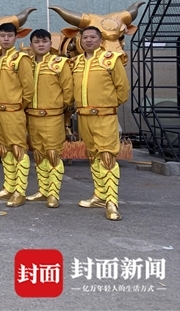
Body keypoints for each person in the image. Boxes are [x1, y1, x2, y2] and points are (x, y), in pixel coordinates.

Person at [71, 26, 129, 221]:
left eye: (92, 37)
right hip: (84, 116)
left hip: (105, 116)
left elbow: (122, 89)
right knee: (93, 155)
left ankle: (112, 201)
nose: (88, 40)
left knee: (107, 156)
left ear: (100, 40)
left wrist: (108, 105)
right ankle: (99, 195)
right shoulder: (76, 62)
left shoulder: (111, 59)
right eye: (85, 37)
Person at [25, 29, 74, 208]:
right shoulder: (26, 64)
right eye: (37, 42)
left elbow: (68, 89)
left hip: (52, 116)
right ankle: (42, 190)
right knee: (38, 154)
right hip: (32, 116)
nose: (40, 44)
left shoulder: (59, 63)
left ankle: (53, 193)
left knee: (53, 154)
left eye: (44, 41)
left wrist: (61, 107)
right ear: (31, 45)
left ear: (50, 44)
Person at [0, 22, 34, 208]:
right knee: (4, 150)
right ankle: (9, 186)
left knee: (18, 150)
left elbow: (28, 89)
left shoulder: (20, 59)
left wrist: (17, 106)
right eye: (2, 36)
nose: (6, 39)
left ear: (16, 37)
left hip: (13, 111)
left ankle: (20, 191)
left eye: (9, 36)